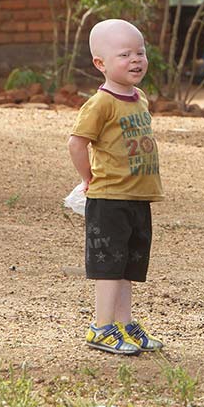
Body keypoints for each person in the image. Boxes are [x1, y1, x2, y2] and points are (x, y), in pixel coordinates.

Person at [68, 19, 164, 355]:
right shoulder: (101, 103)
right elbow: (77, 143)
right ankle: (101, 327)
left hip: (138, 197)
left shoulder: (140, 98)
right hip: (109, 198)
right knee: (109, 266)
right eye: (125, 54)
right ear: (101, 64)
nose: (136, 59)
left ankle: (123, 323)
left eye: (140, 52)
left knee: (127, 266)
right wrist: (87, 179)